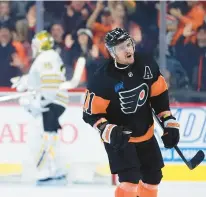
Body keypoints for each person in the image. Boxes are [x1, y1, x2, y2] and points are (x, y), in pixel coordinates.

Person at [82, 28, 180, 197]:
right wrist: (108, 130)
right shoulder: (102, 78)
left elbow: (159, 96)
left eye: (129, 44)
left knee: (153, 177)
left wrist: (168, 122)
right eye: (121, 48)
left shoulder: (147, 65)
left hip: (145, 132)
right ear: (113, 53)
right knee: (130, 179)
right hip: (121, 137)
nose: (128, 49)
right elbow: (90, 114)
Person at [11, 30, 68, 185]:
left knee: (42, 137)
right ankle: (55, 168)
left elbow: (49, 84)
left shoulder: (46, 57)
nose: (33, 48)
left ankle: (45, 170)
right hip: (53, 102)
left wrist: (38, 101)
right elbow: (37, 81)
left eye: (35, 44)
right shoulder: (48, 58)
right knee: (50, 135)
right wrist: (23, 82)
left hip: (50, 102)